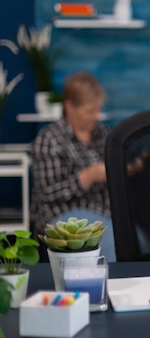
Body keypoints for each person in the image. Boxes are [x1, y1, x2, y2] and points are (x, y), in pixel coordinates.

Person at [30, 71, 116, 262]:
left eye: (97, 110)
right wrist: (87, 177)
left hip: (103, 213)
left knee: (138, 240)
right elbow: (47, 193)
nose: (95, 116)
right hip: (63, 217)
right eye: (89, 111)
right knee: (109, 245)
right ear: (69, 107)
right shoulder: (50, 139)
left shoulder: (102, 132)